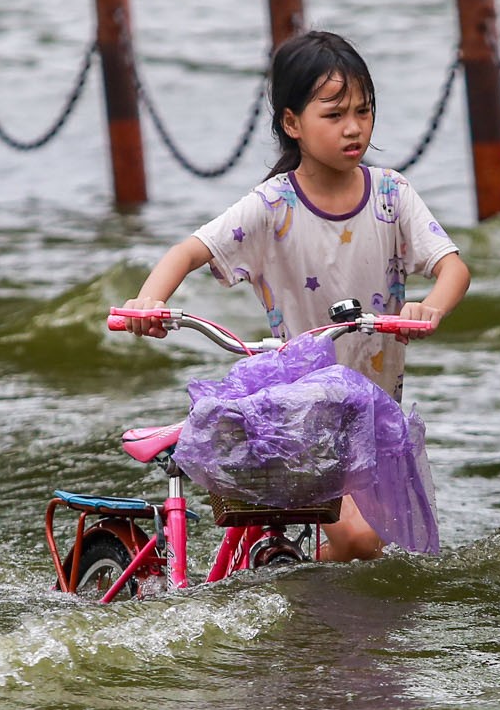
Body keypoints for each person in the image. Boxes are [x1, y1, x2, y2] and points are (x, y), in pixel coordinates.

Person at [123, 30, 471, 562]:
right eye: (333, 115)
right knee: (359, 540)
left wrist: (431, 306)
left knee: (391, 553)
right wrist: (149, 302)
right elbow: (187, 252)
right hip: (304, 417)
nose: (354, 128)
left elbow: (453, 268)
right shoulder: (273, 205)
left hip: (377, 414)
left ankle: (321, 623)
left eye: (364, 110)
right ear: (292, 124)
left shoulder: (391, 195)